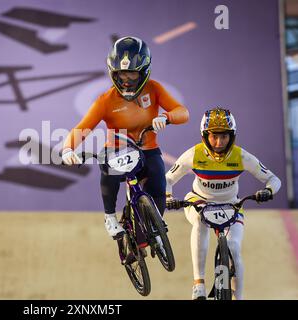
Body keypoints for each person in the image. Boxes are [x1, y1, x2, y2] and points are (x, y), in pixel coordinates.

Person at [62, 36, 189, 240]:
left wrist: (167, 117)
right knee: (108, 169)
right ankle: (110, 217)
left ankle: (153, 226)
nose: (126, 79)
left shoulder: (154, 89)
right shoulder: (105, 101)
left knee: (158, 181)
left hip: (147, 148)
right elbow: (82, 129)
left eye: (132, 73)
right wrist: (68, 149)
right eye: (121, 74)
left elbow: (183, 112)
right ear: (114, 73)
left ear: (144, 72)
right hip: (117, 150)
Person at [165, 107, 281, 300]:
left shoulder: (241, 156)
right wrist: (169, 197)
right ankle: (198, 284)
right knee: (200, 221)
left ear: (232, 136)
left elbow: (274, 180)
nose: (219, 143)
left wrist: (267, 191)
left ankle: (239, 297)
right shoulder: (194, 154)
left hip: (231, 205)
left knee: (234, 248)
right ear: (204, 135)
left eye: (224, 137)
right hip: (198, 200)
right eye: (214, 137)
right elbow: (167, 179)